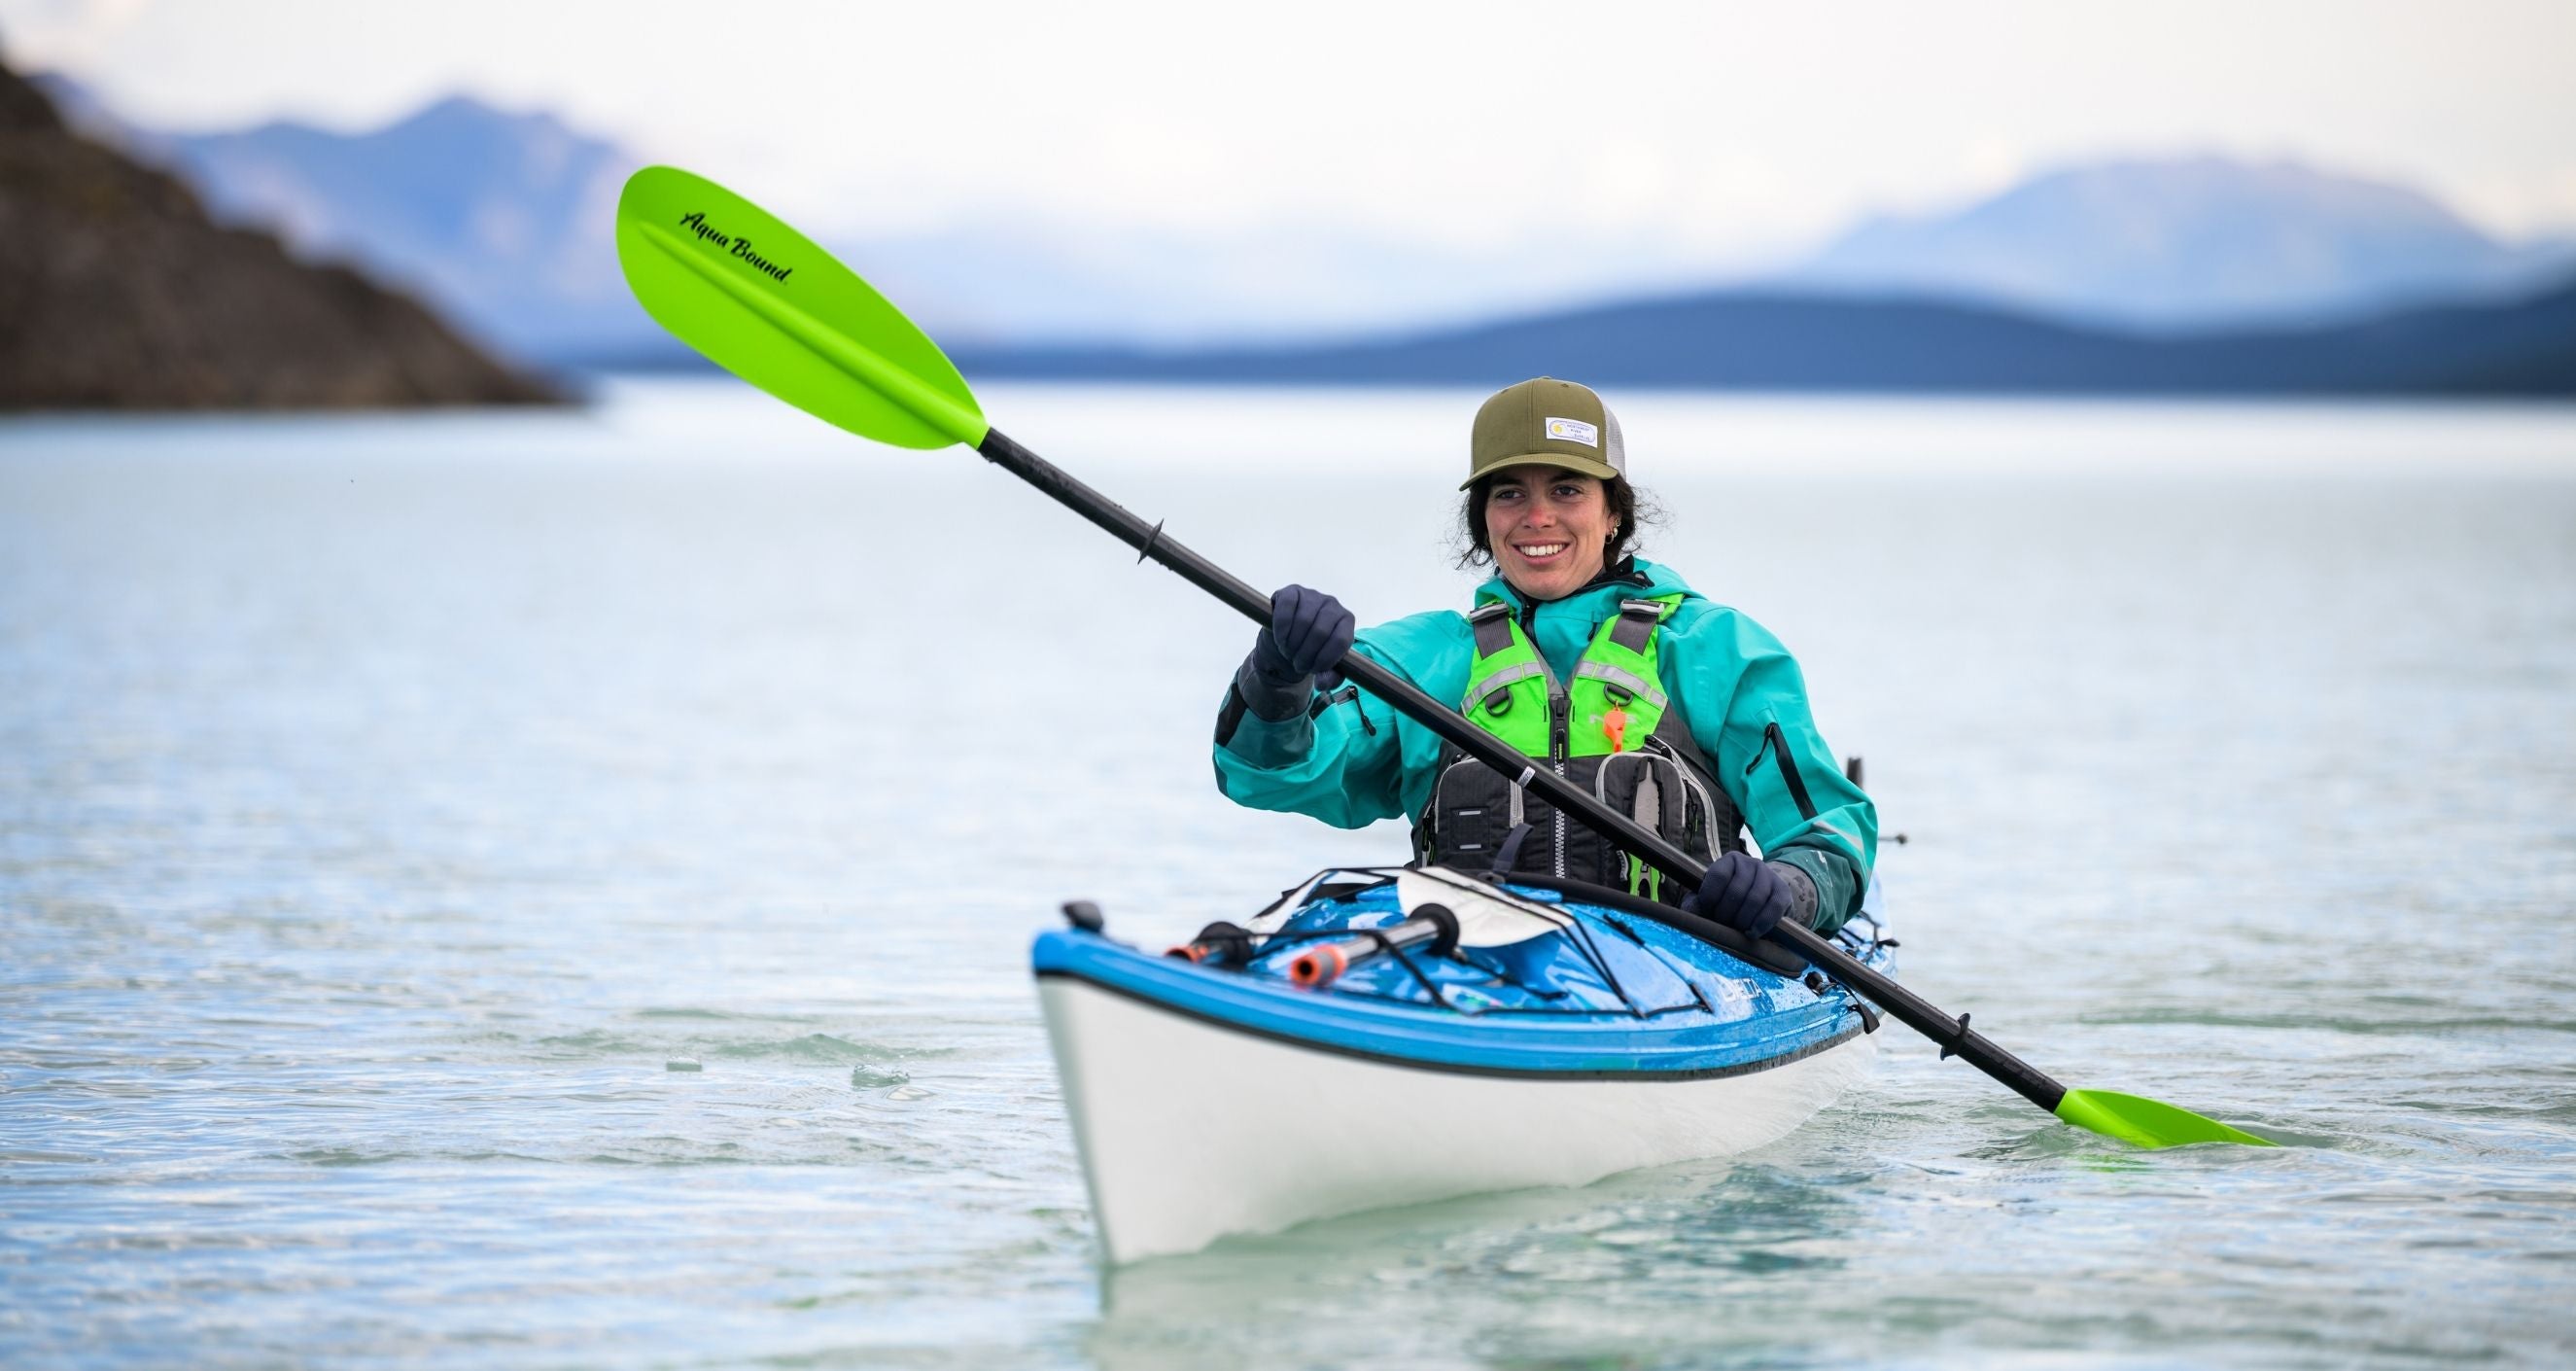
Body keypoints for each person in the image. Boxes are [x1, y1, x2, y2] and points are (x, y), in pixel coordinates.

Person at [1211, 377, 1876, 939]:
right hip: (1471, 964)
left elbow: (1826, 834)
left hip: (1679, 969)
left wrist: (1786, 889)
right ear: (1484, 521)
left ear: (1613, 511)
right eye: (1510, 494)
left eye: (1566, 490)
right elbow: (1268, 775)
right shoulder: (1422, 659)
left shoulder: (1715, 650)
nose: (1537, 517)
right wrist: (1278, 674)